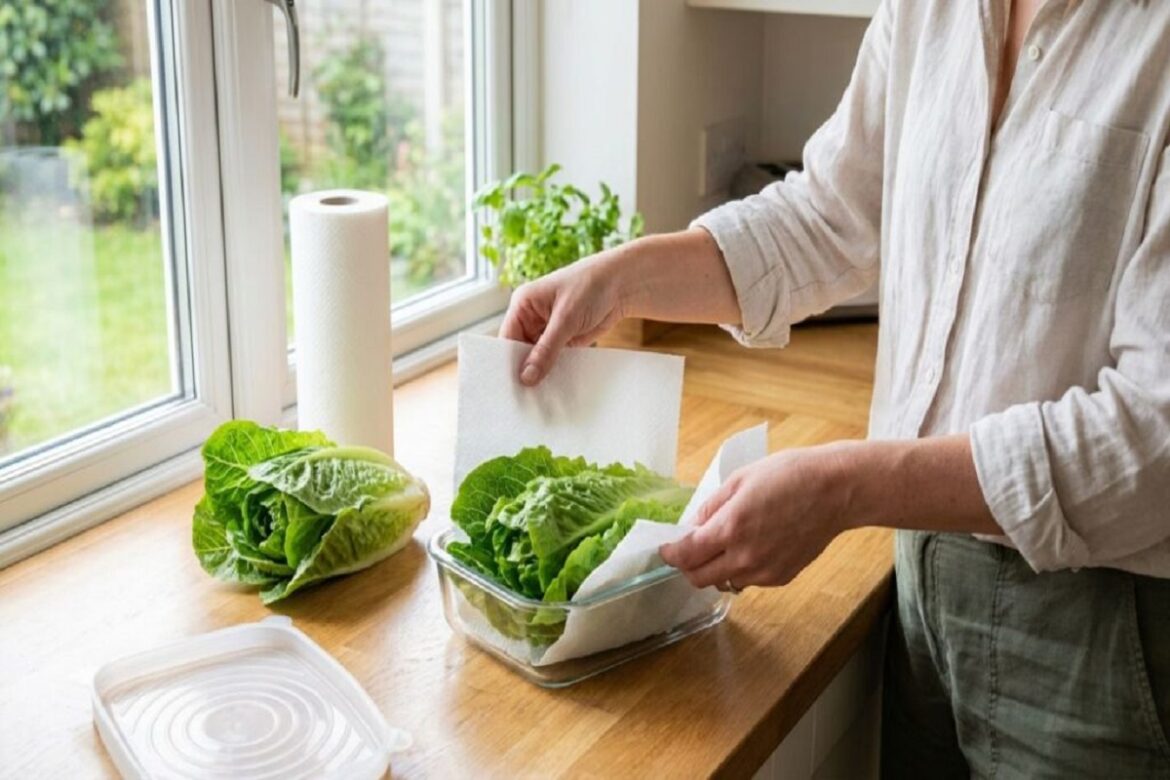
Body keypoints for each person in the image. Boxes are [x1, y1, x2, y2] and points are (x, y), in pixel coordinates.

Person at [498, 0, 1170, 776]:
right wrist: (622, 279)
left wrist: (846, 487)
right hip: (921, 577)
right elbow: (827, 215)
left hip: (1102, 633)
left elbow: (1152, 438)